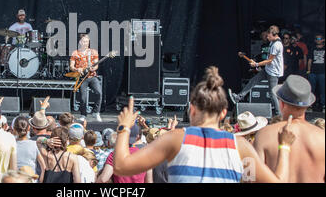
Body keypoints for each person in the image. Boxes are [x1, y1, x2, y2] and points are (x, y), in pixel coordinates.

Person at [113, 66, 296, 183]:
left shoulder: (176, 139)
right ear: (224, 113)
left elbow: (122, 166)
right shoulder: (239, 146)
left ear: (191, 109)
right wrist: (285, 146)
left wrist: (125, 127)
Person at [253, 75, 325, 182]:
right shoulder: (322, 137)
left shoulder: (264, 135)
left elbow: (251, 178)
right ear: (307, 106)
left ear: (281, 104)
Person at [229, 25, 284, 116]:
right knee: (253, 81)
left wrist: (257, 64)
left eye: (268, 35)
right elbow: (268, 59)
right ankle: (238, 97)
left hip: (274, 72)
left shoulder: (277, 45)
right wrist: (259, 65)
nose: (267, 37)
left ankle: (279, 114)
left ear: (273, 34)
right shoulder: (272, 43)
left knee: (272, 94)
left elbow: (270, 60)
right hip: (268, 69)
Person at [70, 34, 103, 122]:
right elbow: (71, 66)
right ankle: (83, 114)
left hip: (92, 76)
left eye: (87, 42)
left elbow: (96, 64)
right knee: (82, 97)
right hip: (81, 78)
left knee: (99, 93)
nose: (86, 43)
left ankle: (96, 112)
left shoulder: (93, 52)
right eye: (84, 41)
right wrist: (77, 69)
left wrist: (93, 68)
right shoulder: (75, 53)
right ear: (80, 42)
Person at [13, 116, 45, 182]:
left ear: (14, 129)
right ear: (29, 128)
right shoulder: (35, 144)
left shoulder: (11, 144)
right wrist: (41, 181)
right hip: (32, 180)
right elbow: (43, 167)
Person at [307, 32, 325, 112]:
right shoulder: (312, 48)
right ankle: (310, 105)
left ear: (323, 40)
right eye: (316, 39)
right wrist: (308, 70)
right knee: (311, 89)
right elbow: (309, 60)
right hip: (313, 72)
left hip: (322, 72)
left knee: (323, 90)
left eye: (319, 38)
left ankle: (323, 105)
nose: (317, 40)